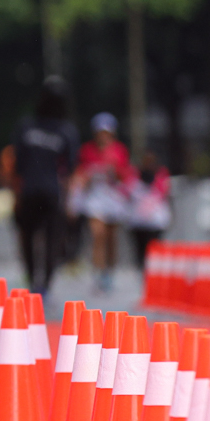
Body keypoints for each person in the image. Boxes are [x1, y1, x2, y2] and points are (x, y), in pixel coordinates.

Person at [1, 78, 80, 297]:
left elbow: (70, 170)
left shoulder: (64, 130)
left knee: (49, 240)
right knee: (30, 238)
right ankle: (36, 281)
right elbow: (16, 164)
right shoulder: (28, 126)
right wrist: (16, 194)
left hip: (49, 192)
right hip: (31, 191)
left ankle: (43, 284)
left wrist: (69, 200)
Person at [74, 113, 134, 291]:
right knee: (98, 235)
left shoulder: (119, 150)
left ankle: (109, 272)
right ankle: (98, 273)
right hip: (95, 198)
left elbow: (125, 176)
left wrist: (113, 168)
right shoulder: (87, 150)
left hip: (114, 197)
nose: (103, 136)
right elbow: (81, 173)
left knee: (111, 238)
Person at [125, 148, 171, 269]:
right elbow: (128, 192)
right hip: (138, 221)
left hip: (155, 221)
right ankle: (141, 273)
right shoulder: (134, 175)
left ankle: (152, 272)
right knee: (140, 252)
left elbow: (164, 194)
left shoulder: (161, 175)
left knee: (154, 251)